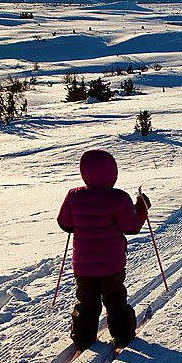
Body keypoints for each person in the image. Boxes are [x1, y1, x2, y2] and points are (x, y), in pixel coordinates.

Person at [57, 149, 151, 350]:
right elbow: (131, 226)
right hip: (112, 264)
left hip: (83, 265)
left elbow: (65, 224)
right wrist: (141, 209)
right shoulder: (118, 198)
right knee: (115, 299)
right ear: (113, 172)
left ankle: (82, 338)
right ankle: (123, 336)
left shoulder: (74, 196)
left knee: (86, 301)